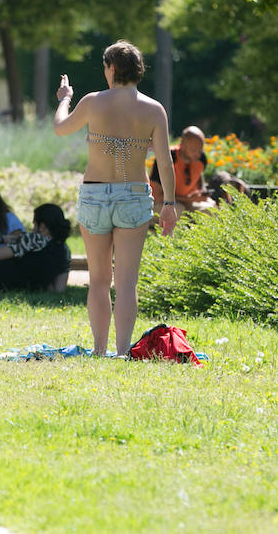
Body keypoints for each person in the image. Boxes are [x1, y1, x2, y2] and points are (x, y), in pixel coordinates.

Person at [53, 39, 177, 357]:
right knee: (126, 281)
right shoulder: (153, 110)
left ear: (110, 68)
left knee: (98, 280)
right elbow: (165, 161)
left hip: (94, 194)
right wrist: (169, 205)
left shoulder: (93, 102)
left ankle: (99, 350)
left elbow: (60, 128)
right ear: (138, 70)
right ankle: (122, 352)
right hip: (134, 195)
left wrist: (65, 99)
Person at [149, 125, 217, 214]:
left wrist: (202, 191)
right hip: (163, 203)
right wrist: (187, 199)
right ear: (182, 145)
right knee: (178, 209)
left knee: (212, 208)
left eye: (200, 150)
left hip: (188, 202)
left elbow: (198, 175)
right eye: (193, 150)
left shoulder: (201, 159)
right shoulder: (167, 158)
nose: (198, 154)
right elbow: (158, 197)